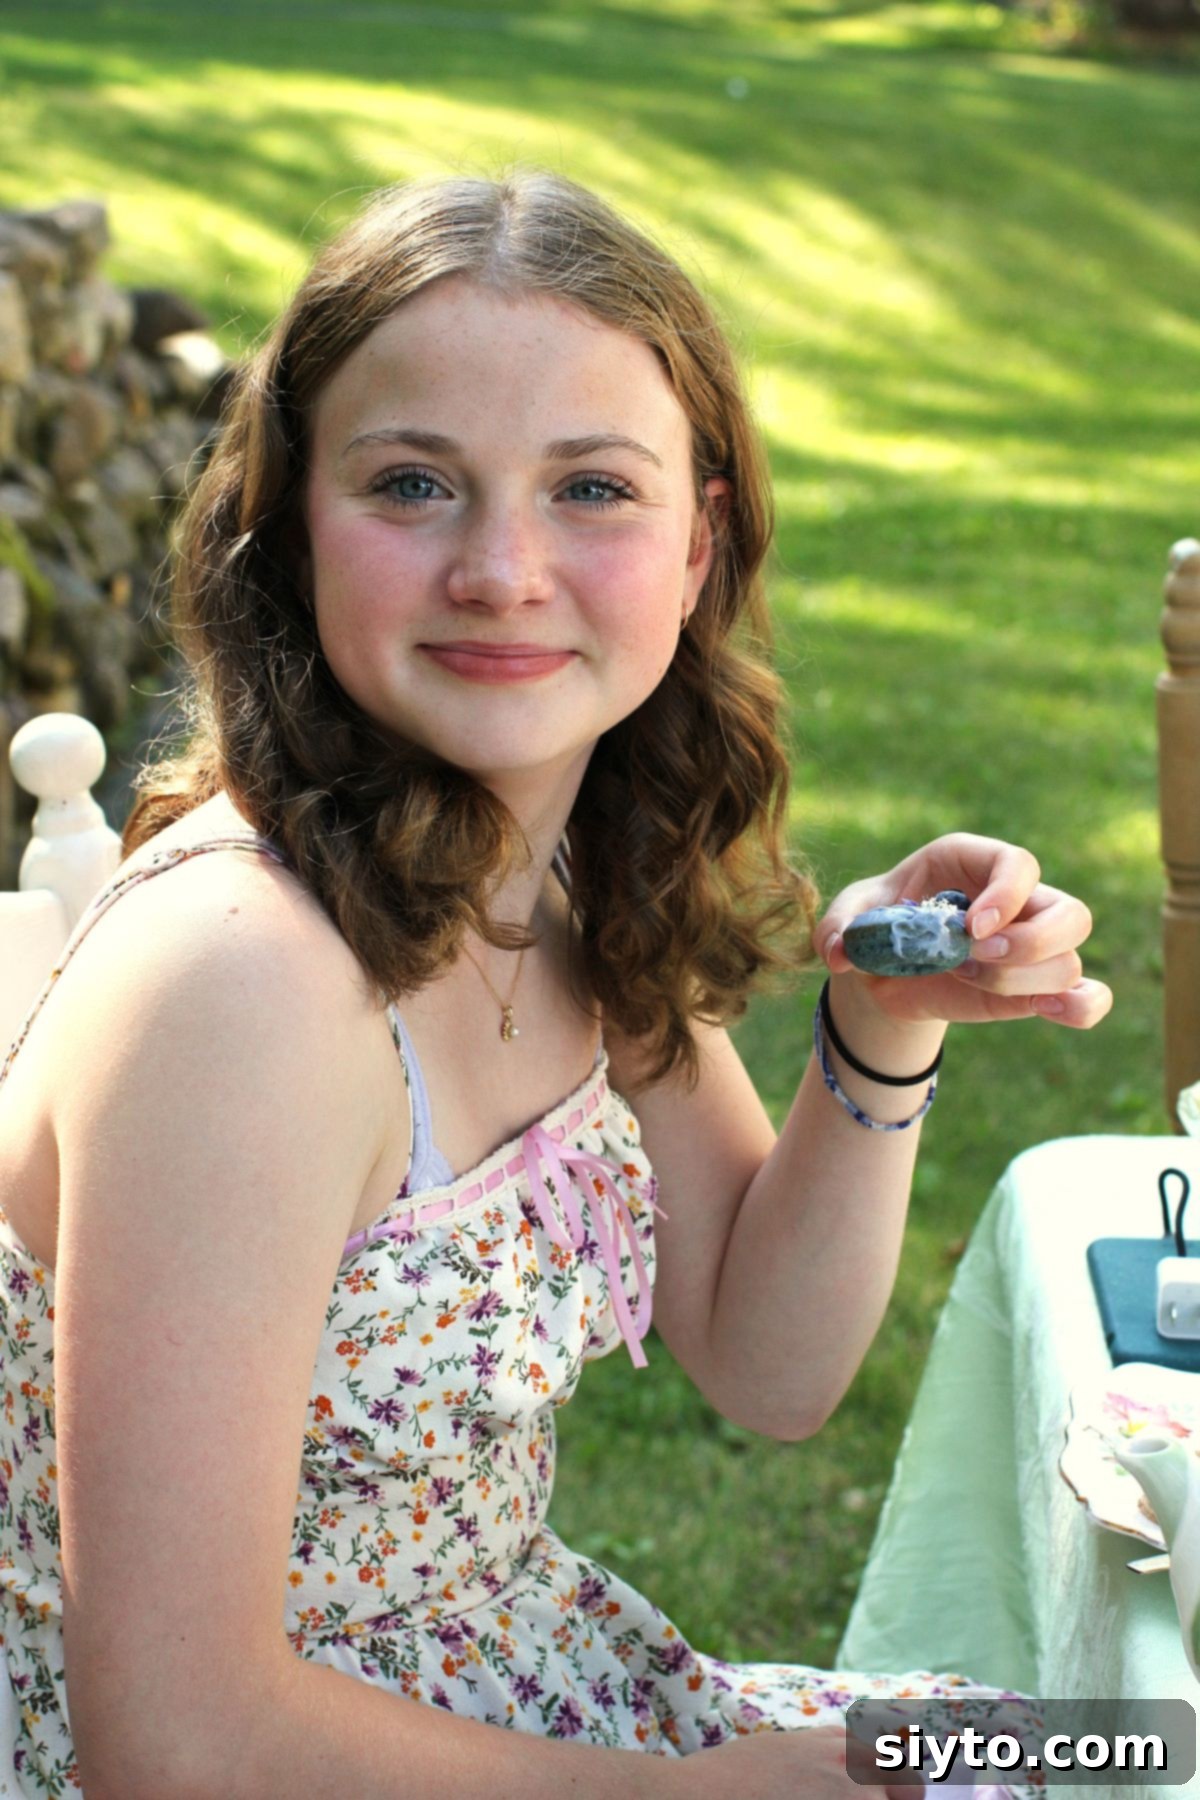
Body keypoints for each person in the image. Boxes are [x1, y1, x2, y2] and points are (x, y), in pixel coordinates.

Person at [0, 168, 1110, 1799]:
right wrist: (706, 1795)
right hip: (310, 1765)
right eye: (413, 484)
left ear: (698, 542)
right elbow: (174, 1743)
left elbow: (769, 1361)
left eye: (591, 487)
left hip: (518, 1700)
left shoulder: (548, 873)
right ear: (287, 525)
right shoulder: (240, 986)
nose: (503, 568)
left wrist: (879, 1028)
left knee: (1107, 1749)